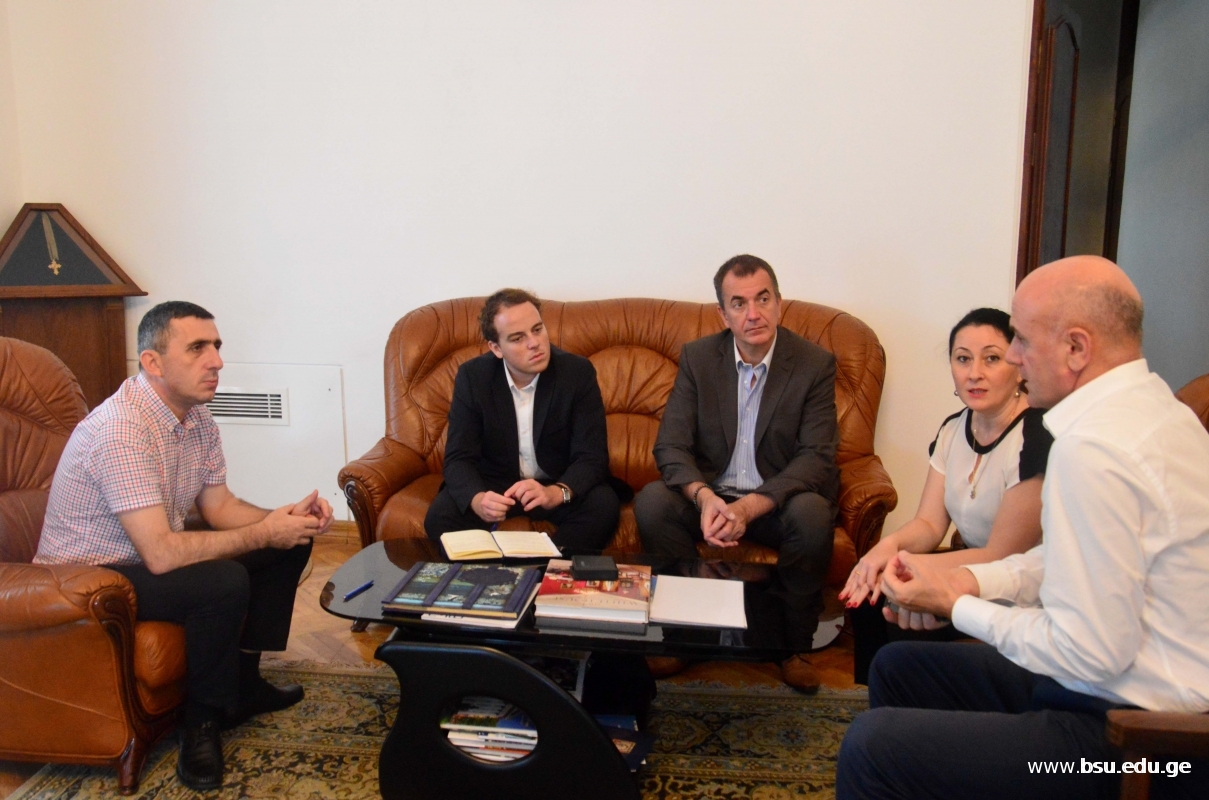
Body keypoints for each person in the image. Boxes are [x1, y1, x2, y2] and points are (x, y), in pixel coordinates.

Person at [836, 256, 1209, 800]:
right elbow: (1067, 558)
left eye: (1022, 341)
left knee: (871, 746)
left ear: (1076, 348)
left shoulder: (1094, 451)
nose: (1013, 357)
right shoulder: (1159, 412)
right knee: (899, 666)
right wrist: (967, 582)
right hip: (1108, 688)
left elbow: (1089, 653)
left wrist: (958, 606)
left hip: (1140, 743)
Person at [34, 301, 333, 792]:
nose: (216, 361)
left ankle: (244, 686)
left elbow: (220, 506)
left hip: (143, 556)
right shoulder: (121, 429)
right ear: (152, 362)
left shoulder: (197, 418)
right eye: (197, 348)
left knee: (288, 542)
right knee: (222, 581)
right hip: (87, 577)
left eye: (216, 346)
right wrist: (263, 531)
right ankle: (202, 722)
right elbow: (162, 555)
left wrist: (282, 519)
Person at [635, 254, 839, 692]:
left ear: (779, 303)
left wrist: (748, 507)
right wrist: (705, 497)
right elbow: (670, 446)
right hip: (713, 495)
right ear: (723, 314)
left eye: (763, 299)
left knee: (813, 514)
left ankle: (791, 647)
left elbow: (816, 457)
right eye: (739, 303)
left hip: (775, 501)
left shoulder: (813, 364)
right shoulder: (699, 358)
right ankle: (686, 637)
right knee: (653, 502)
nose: (754, 314)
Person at [839, 308, 1051, 680]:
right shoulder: (953, 430)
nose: (974, 373)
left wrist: (904, 567)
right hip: (969, 570)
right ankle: (878, 702)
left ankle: (924, 700)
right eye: (963, 359)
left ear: (1018, 366)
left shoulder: (1035, 436)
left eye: (991, 359)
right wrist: (883, 551)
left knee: (894, 585)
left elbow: (1001, 555)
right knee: (874, 595)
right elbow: (929, 524)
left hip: (1021, 588)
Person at [423, 288, 620, 550]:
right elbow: (458, 457)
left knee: (603, 505)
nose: (534, 343)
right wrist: (478, 499)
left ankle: (546, 566)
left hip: (554, 482)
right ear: (496, 348)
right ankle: (493, 572)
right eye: (518, 338)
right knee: (440, 516)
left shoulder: (576, 373)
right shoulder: (473, 378)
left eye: (537, 329)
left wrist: (556, 493)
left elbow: (591, 456)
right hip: (496, 486)